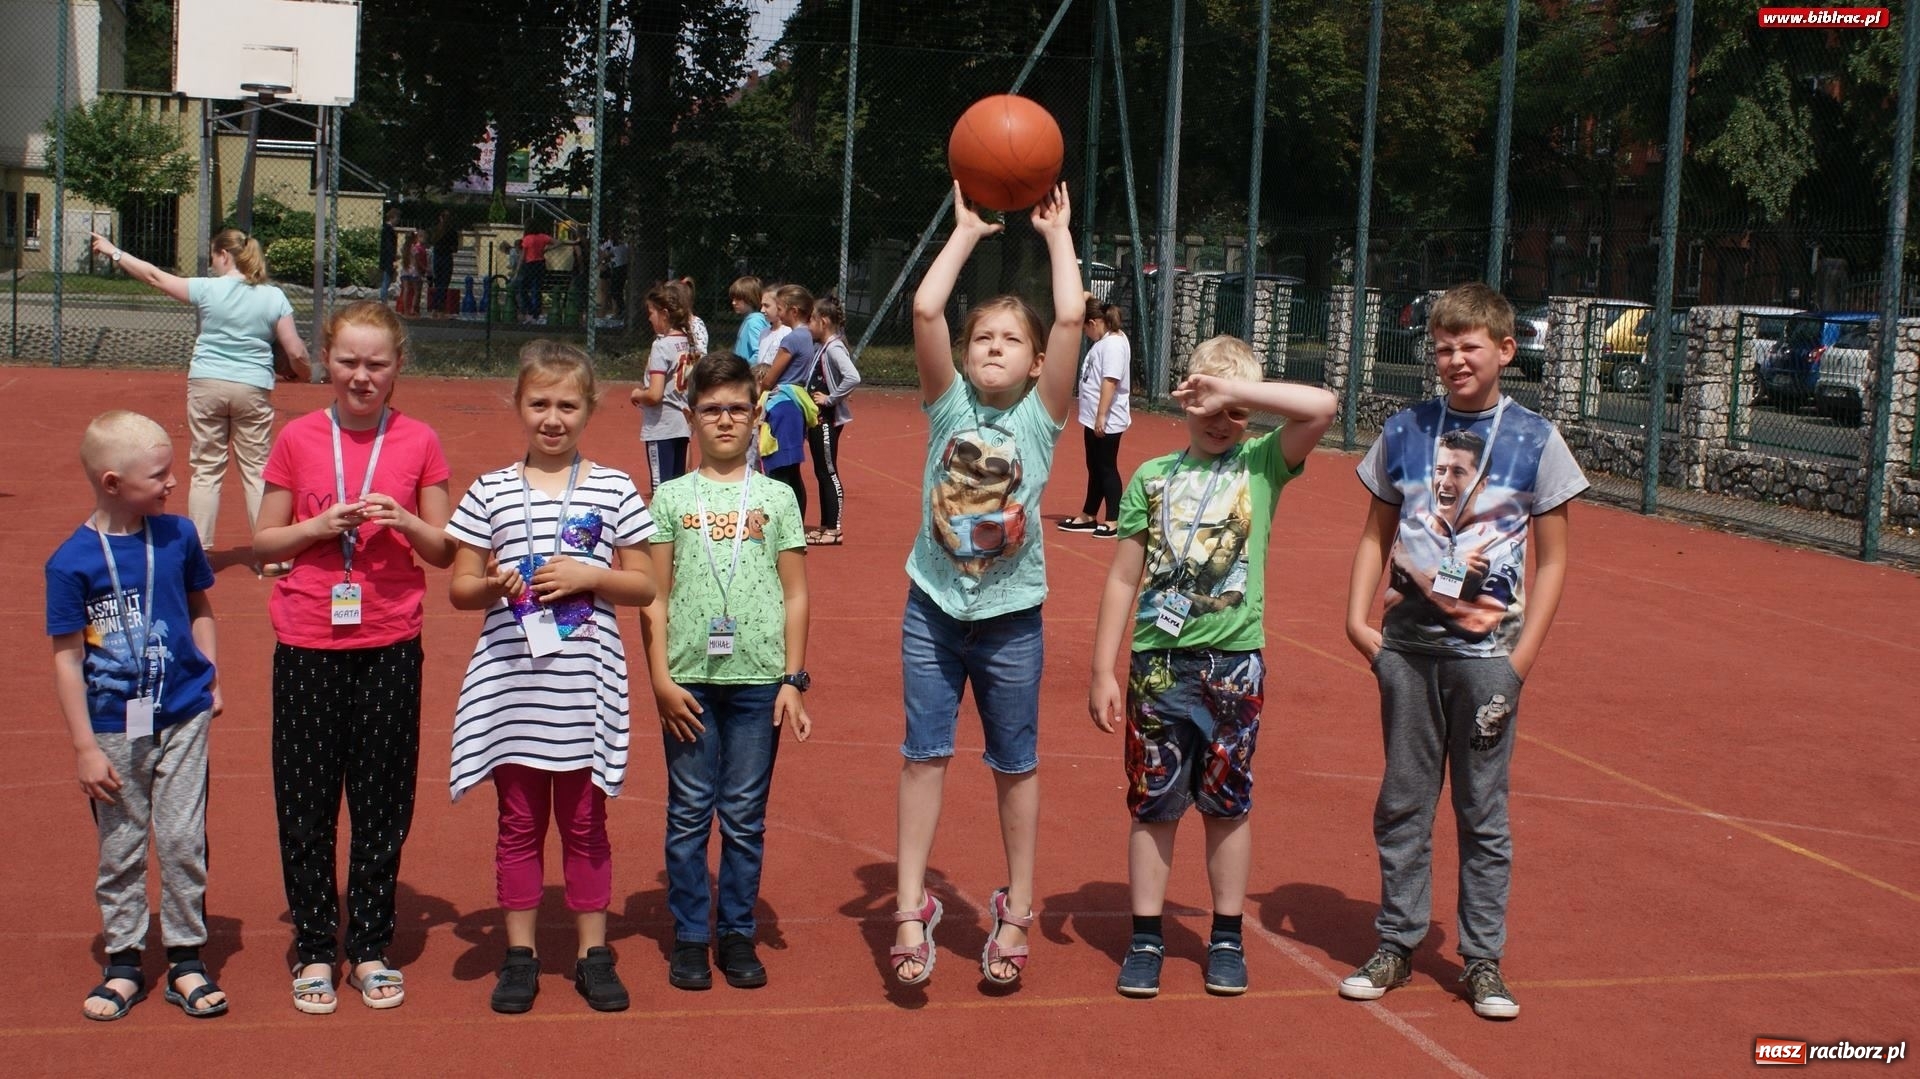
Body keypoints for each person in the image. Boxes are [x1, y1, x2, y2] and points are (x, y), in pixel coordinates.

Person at [1339, 282, 1586, 1021]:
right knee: (1403, 801)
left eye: (1469, 345)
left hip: (1488, 661)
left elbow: (1557, 561)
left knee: (1483, 810)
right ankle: (1396, 942)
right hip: (1407, 651)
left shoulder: (1536, 439)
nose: (1453, 359)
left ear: (1506, 349)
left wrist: (1519, 661)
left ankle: (1482, 959)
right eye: (1442, 347)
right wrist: (1358, 622)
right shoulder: (1405, 428)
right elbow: (1375, 532)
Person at [1086, 336, 1336, 998]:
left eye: (1234, 412)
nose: (1222, 422)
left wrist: (1240, 393)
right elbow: (1122, 578)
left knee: (1227, 802)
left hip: (1233, 666)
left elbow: (1321, 407)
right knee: (1154, 803)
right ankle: (1146, 936)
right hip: (1158, 665)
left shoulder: (1262, 464)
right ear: (1187, 398)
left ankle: (1226, 934)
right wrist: (1103, 667)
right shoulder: (1150, 477)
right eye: (1209, 404)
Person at [890, 181, 1084, 987]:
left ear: (1038, 362)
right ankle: (909, 907)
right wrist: (964, 231)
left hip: (1009, 618)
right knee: (924, 755)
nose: (993, 347)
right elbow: (927, 311)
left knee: (1015, 761)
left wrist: (1057, 236)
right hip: (933, 609)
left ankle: (1017, 908)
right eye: (983, 338)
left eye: (1011, 339)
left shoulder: (1042, 417)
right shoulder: (946, 407)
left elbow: (1070, 316)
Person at [251, 300, 458, 1014]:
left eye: (377, 363)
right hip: (309, 638)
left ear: (399, 366)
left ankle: (369, 942)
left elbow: (443, 549)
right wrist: (317, 524)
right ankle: (314, 943)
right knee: (306, 801)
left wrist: (404, 519)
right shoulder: (300, 437)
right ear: (327, 363)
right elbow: (263, 542)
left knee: (381, 802)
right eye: (348, 362)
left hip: (391, 643)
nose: (362, 376)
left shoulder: (420, 441)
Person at [446, 343, 658, 1014]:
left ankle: (594, 952)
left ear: (590, 409)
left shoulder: (614, 486)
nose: (553, 417)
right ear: (518, 405)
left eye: (568, 404)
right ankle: (521, 954)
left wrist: (591, 575)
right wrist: (492, 583)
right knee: (518, 822)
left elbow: (648, 580)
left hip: (584, 688)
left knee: (586, 822)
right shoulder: (489, 490)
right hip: (514, 692)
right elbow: (458, 587)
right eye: (539, 403)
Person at [639, 350, 812, 992]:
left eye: (737, 409)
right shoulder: (668, 498)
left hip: (759, 679)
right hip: (686, 679)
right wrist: (659, 677)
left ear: (756, 412)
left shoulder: (777, 498)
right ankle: (689, 934)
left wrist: (793, 679)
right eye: (710, 409)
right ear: (690, 415)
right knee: (688, 812)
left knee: (743, 814)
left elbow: (795, 592)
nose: (724, 421)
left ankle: (735, 930)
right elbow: (653, 592)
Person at [47, 411, 227, 1021]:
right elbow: (68, 660)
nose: (174, 482)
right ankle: (123, 960)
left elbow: (201, 607)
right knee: (121, 845)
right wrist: (83, 748)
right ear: (112, 482)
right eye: (160, 474)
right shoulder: (71, 562)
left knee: (180, 839)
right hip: (111, 728)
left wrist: (210, 671)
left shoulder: (177, 536)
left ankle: (185, 959)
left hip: (182, 715)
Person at [88, 228, 309, 573]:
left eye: (212, 257)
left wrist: (114, 251)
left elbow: (154, 277)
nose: (212, 264)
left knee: (207, 468)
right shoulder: (273, 296)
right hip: (252, 386)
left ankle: (200, 553)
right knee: (256, 470)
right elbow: (294, 349)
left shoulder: (208, 289)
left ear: (224, 255)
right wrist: (304, 371)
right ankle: (271, 556)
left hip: (207, 383)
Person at [1058, 299, 1133, 538]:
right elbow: (1082, 297)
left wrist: (1101, 415)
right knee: (1094, 467)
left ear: (1093, 323)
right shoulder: (1105, 341)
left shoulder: (1113, 344)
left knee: (1106, 467)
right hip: (1093, 417)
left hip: (1106, 419)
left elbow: (1110, 381)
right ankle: (1089, 515)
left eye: (1085, 329)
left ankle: (1113, 519)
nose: (1086, 334)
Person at [630, 283, 698, 492]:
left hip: (662, 426)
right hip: (682, 423)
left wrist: (638, 394)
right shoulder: (687, 342)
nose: (649, 318)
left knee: (661, 490)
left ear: (664, 313)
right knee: (677, 488)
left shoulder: (662, 346)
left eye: (651, 312)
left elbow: (655, 394)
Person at [805, 294, 860, 545]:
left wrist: (830, 399)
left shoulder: (835, 347)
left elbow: (853, 377)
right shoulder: (824, 347)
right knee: (820, 470)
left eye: (811, 320)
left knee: (828, 471)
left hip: (827, 417)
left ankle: (834, 528)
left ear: (823, 321)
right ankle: (826, 525)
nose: (808, 326)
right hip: (817, 418)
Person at [752, 361, 816, 514]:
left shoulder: (769, 398)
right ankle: (797, 519)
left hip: (778, 443)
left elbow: (757, 423)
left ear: (761, 380)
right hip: (793, 441)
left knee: (779, 481)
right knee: (794, 477)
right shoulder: (789, 394)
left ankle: (780, 519)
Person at [758, 284, 816, 389]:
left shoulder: (792, 338)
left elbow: (769, 380)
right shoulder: (807, 334)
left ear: (794, 311)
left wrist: (759, 394)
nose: (778, 314)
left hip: (782, 394)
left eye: (779, 309)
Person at [520, 225, 555, 324]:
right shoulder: (543, 237)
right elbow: (558, 242)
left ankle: (531, 311)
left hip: (530, 264)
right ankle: (536, 314)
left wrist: (519, 268)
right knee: (537, 289)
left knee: (523, 289)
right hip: (540, 263)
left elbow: (523, 255)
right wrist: (547, 249)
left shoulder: (527, 239)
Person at [730, 276, 770, 361]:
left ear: (750, 298)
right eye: (733, 298)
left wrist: (745, 371)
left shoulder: (754, 322)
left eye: (738, 299)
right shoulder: (750, 319)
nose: (733, 302)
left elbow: (759, 353)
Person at [430, 211, 459, 318]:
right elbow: (455, 248)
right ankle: (440, 309)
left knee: (437, 283)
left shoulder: (436, 230)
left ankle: (434, 308)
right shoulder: (452, 232)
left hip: (437, 258)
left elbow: (432, 243)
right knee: (444, 284)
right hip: (446, 257)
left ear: (440, 218)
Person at [401, 230, 428, 317]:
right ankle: (412, 309)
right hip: (413, 272)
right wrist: (423, 269)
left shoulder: (403, 248)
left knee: (406, 290)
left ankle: (405, 310)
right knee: (416, 291)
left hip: (405, 271)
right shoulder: (414, 249)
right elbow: (417, 262)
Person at [377, 206, 400, 304]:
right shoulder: (389, 230)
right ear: (392, 217)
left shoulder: (386, 229)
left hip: (386, 258)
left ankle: (383, 300)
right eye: (396, 218)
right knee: (386, 281)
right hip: (388, 260)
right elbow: (389, 246)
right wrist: (393, 259)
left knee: (386, 281)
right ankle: (383, 301)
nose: (397, 221)